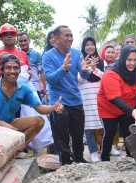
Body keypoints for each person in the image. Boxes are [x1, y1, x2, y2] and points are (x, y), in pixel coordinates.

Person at [0, 54, 63, 147]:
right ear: (2, 70)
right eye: (8, 68)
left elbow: (39, 108)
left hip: (10, 124)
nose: (12, 71)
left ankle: (17, 148)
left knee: (38, 121)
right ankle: (10, 146)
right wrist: (2, 124)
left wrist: (53, 107)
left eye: (16, 68)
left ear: (20, 70)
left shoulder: (23, 88)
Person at [42, 25, 99, 164]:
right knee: (61, 136)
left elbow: (83, 75)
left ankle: (79, 159)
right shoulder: (48, 56)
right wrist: (62, 69)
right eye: (66, 35)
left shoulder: (76, 53)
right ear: (55, 38)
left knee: (78, 134)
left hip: (76, 100)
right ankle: (66, 162)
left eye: (71, 35)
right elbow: (50, 79)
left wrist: (87, 70)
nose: (70, 38)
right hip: (59, 102)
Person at [98, 46, 136, 161]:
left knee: (129, 132)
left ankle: (131, 158)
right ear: (122, 59)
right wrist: (132, 111)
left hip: (129, 105)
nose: (132, 63)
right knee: (110, 132)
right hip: (108, 107)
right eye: (129, 60)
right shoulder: (111, 73)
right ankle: (105, 158)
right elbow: (114, 98)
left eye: (135, 60)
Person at [79, 36, 104, 162]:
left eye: (92, 44)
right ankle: (93, 151)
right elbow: (79, 80)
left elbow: (103, 77)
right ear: (83, 47)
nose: (90, 47)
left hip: (98, 96)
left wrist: (95, 69)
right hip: (86, 98)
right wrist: (84, 70)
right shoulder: (80, 61)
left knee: (102, 124)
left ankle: (105, 149)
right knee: (88, 126)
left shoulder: (100, 61)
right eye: (87, 45)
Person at [18, 32, 46, 99]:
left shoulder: (36, 54)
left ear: (29, 41)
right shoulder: (17, 54)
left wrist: (44, 88)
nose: (23, 43)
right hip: (21, 88)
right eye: (20, 41)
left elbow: (41, 72)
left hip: (36, 88)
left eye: (25, 40)